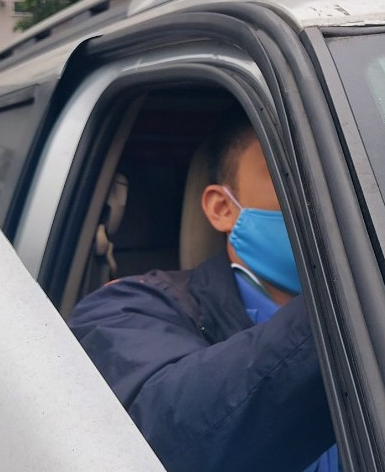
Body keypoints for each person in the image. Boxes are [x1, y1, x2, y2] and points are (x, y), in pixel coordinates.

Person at [69, 108, 338, 472]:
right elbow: (167, 431)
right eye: (295, 172)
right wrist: (346, 306)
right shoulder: (126, 307)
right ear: (222, 208)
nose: (327, 196)